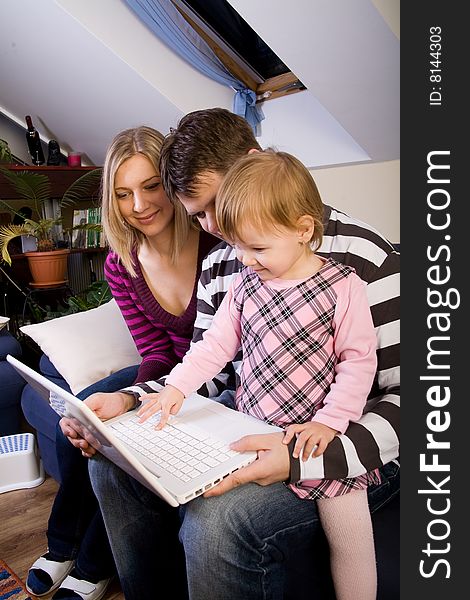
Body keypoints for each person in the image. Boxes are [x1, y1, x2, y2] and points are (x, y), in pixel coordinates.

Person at [82, 107, 399, 600]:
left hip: (342, 442)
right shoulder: (226, 264)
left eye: (218, 205)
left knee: (217, 520)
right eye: (201, 216)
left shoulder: (364, 261)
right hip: (253, 421)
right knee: (112, 463)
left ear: (254, 164)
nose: (218, 231)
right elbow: (212, 362)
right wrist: (133, 400)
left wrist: (303, 456)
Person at [138, 149, 380, 600]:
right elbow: (213, 348)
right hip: (250, 431)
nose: (246, 259)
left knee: (351, 545)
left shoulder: (343, 286)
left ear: (304, 230)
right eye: (238, 247)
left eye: (259, 247)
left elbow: (358, 362)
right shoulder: (245, 286)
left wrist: (330, 423)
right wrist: (177, 387)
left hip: (314, 441)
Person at [26, 125, 217, 600]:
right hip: (161, 368)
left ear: (173, 182)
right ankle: (61, 546)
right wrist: (130, 398)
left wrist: (138, 403)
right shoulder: (121, 262)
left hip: (205, 375)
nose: (139, 205)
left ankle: (92, 566)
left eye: (151, 186)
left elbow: (218, 351)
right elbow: (152, 349)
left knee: (114, 436)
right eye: (123, 193)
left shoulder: (216, 243)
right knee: (84, 413)